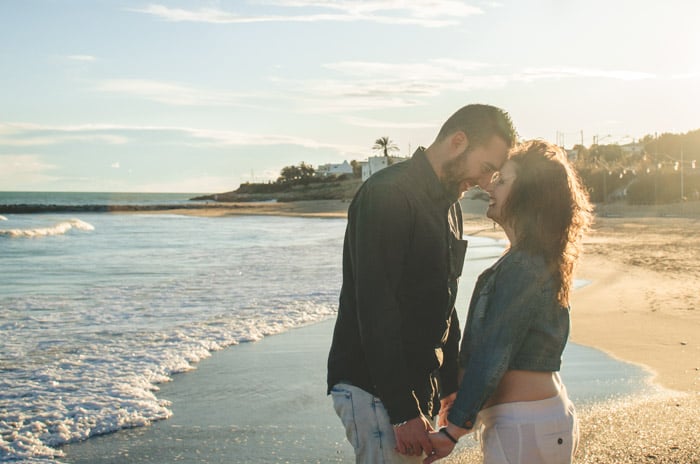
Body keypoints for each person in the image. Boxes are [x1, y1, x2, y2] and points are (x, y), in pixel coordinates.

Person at [327, 104, 518, 463]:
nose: (484, 181)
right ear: (458, 141)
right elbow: (375, 307)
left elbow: (444, 301)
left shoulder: (451, 208)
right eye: (486, 168)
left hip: (415, 387)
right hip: (372, 387)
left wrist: (449, 386)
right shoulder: (388, 195)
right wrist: (402, 411)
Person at [424, 140, 593, 464]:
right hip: (529, 422)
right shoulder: (527, 260)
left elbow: (494, 353)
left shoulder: (524, 266)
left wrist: (453, 431)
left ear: (529, 193)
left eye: (502, 180)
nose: (490, 185)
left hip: (527, 426)